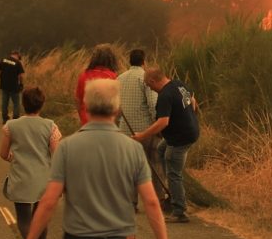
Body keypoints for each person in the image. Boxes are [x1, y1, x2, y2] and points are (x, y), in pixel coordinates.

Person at [14, 78, 174, 239]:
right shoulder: (132, 148)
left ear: (86, 107)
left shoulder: (67, 147)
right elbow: (151, 202)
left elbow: (48, 201)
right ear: (117, 110)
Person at [0, 87, 61, 239]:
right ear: (42, 104)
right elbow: (56, 154)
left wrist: (14, 158)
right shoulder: (50, 126)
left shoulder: (11, 126)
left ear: (23, 103)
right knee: (41, 218)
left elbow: (3, 153)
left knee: (24, 220)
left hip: (20, 178)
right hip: (44, 178)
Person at [134, 68, 199, 223]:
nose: (149, 88)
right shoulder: (179, 84)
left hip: (180, 138)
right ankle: (171, 190)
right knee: (161, 149)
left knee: (174, 172)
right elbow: (193, 102)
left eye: (148, 85)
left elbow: (163, 122)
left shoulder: (165, 95)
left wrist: (142, 136)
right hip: (190, 132)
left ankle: (179, 211)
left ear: (152, 81)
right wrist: (188, 118)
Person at [117, 49, 167, 207]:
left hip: (125, 130)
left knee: (129, 166)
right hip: (146, 130)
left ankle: (131, 201)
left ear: (129, 61)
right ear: (144, 62)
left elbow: (117, 107)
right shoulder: (145, 78)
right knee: (155, 162)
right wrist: (158, 127)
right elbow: (153, 105)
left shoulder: (119, 78)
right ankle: (159, 198)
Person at [75, 44, 119, 126]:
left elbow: (78, 101)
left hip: (86, 121)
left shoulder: (83, 76)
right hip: (106, 123)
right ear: (111, 59)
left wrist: (82, 117)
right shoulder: (112, 76)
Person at [0, 49, 26, 124]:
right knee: (16, 103)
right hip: (14, 86)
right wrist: (21, 84)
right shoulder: (18, 63)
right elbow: (21, 75)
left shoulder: (3, 60)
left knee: (4, 102)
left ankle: (4, 118)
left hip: (4, 85)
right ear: (17, 55)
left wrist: (1, 77)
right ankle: (15, 118)